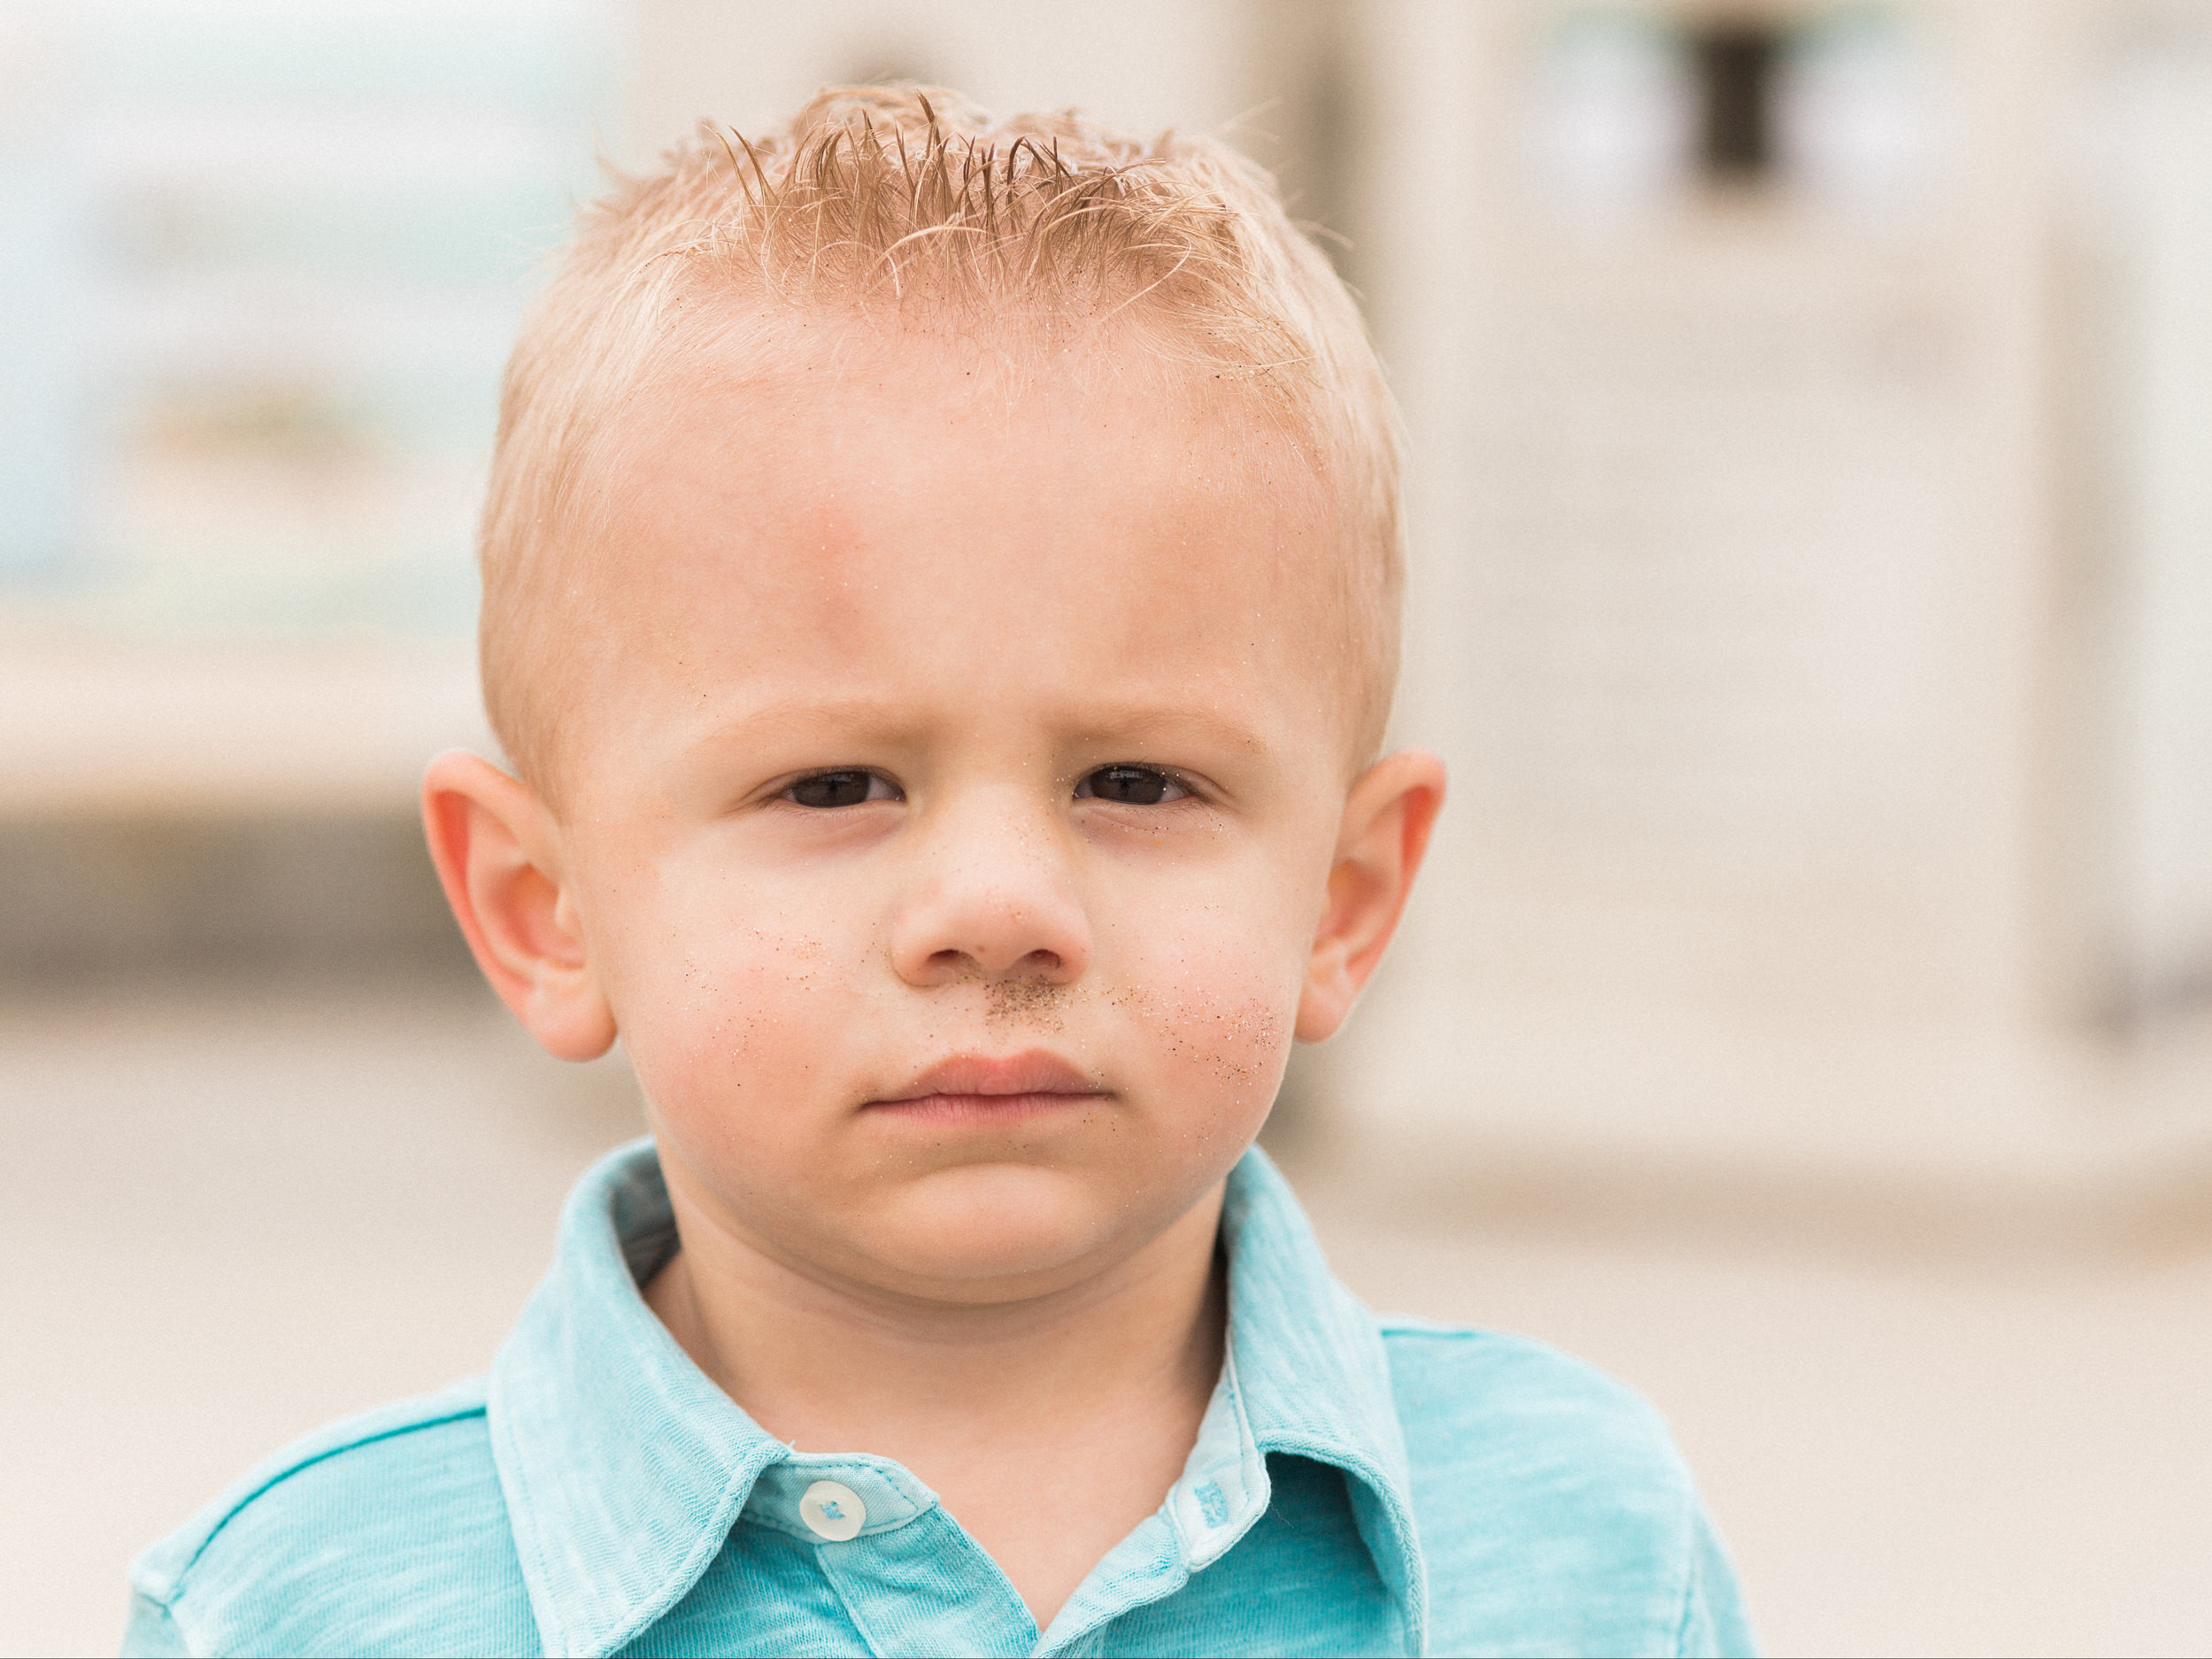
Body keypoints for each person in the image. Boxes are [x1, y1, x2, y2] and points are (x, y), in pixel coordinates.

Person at [123, 86, 1754, 1657]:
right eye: (832, 783)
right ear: (542, 911)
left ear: (1343, 899)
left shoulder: (1585, 1554)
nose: (997, 907)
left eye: (1137, 780)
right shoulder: (296, 1613)